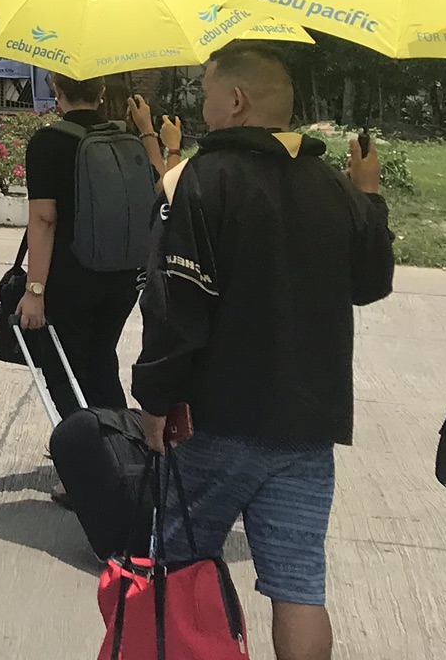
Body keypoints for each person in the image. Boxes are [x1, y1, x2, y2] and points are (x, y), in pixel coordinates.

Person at [133, 42, 393, 660]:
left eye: (205, 91)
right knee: (299, 585)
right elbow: (372, 282)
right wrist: (370, 195)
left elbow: (178, 306)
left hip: (215, 419)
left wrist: (155, 398)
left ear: (236, 100)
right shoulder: (332, 185)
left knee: (176, 563)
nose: (201, 103)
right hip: (308, 423)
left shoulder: (206, 177)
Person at [15, 73, 152, 421]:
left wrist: (34, 290)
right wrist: (147, 130)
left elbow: (44, 219)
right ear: (102, 92)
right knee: (102, 359)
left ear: (57, 92)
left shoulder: (48, 142)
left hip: (71, 277)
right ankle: (120, 447)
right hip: (123, 277)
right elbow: (158, 188)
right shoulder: (124, 139)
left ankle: (89, 458)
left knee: (63, 370)